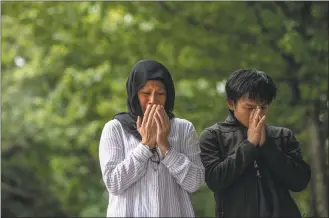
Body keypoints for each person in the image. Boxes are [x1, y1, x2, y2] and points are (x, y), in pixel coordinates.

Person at [98, 59, 205, 217]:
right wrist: (145, 146)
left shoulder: (184, 129)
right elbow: (114, 183)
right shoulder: (115, 129)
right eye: (146, 93)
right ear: (134, 94)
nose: (153, 101)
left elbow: (195, 182)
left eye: (160, 93)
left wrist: (165, 147)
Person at [199, 69, 311, 218]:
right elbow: (215, 181)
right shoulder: (213, 136)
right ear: (231, 104)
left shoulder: (283, 135)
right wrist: (249, 145)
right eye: (250, 108)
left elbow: (300, 182)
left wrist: (268, 146)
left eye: (263, 107)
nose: (257, 114)